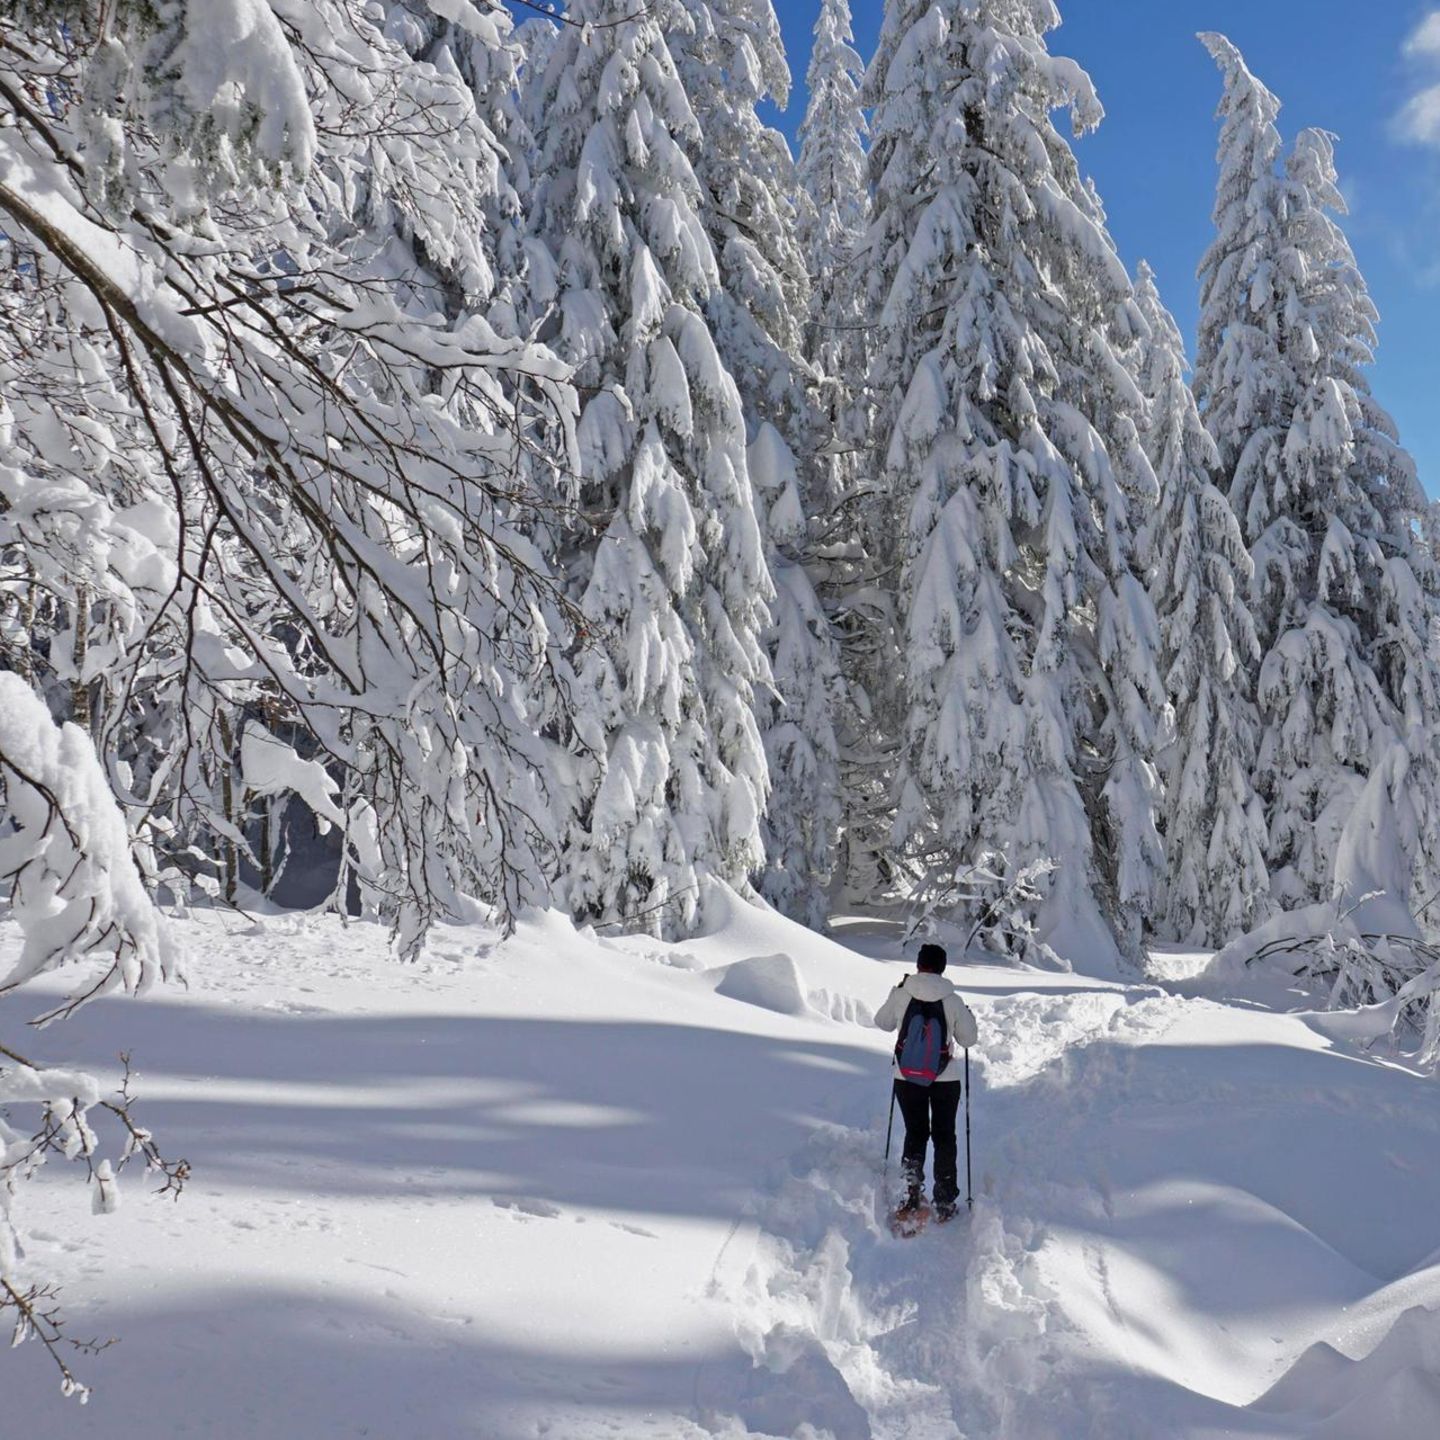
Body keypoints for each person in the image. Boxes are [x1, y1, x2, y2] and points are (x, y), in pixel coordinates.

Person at [875, 942, 978, 1221]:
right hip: (946, 1079)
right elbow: (968, 1040)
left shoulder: (902, 995)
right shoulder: (953, 1000)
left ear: (919, 965)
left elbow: (882, 1022)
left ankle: (910, 1193)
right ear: (943, 969)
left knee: (915, 1132)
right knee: (944, 1136)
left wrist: (895, 993)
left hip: (906, 1078)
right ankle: (944, 1201)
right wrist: (969, 1016)